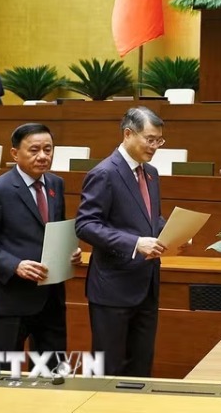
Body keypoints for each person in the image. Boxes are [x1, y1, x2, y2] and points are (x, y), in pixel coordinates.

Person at [0, 123, 81, 366]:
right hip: (11, 298)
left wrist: (70, 251)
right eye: (34, 150)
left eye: (48, 150)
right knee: (8, 375)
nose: (43, 156)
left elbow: (54, 230)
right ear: (15, 154)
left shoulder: (56, 184)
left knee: (54, 372)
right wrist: (15, 265)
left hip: (51, 296)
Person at [75, 106, 174, 377]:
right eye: (150, 139)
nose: (155, 146)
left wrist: (173, 233)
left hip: (146, 285)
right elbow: (85, 225)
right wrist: (134, 243)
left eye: (159, 141)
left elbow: (150, 218)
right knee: (110, 369)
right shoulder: (104, 173)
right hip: (113, 289)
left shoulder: (150, 173)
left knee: (141, 366)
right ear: (128, 134)